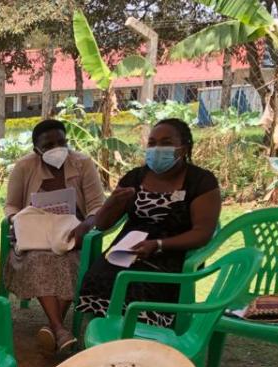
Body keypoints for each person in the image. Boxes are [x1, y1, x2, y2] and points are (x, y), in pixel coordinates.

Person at [76, 118, 222, 327]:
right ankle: (107, 334)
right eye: (152, 143)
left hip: (173, 253)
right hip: (128, 250)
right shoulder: (135, 178)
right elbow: (102, 224)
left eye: (165, 142)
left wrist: (159, 245)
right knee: (99, 275)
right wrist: (111, 203)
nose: (157, 149)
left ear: (183, 147)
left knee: (139, 285)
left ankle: (142, 336)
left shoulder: (201, 181)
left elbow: (203, 232)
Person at [3, 119, 106, 354]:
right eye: (48, 145)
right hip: (35, 238)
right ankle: (59, 328)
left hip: (72, 234)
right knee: (38, 260)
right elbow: (11, 206)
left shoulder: (83, 163)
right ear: (36, 149)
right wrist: (17, 221)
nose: (57, 149)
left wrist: (84, 226)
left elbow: (97, 206)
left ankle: (55, 328)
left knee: (70, 261)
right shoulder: (24, 167)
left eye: (62, 142)